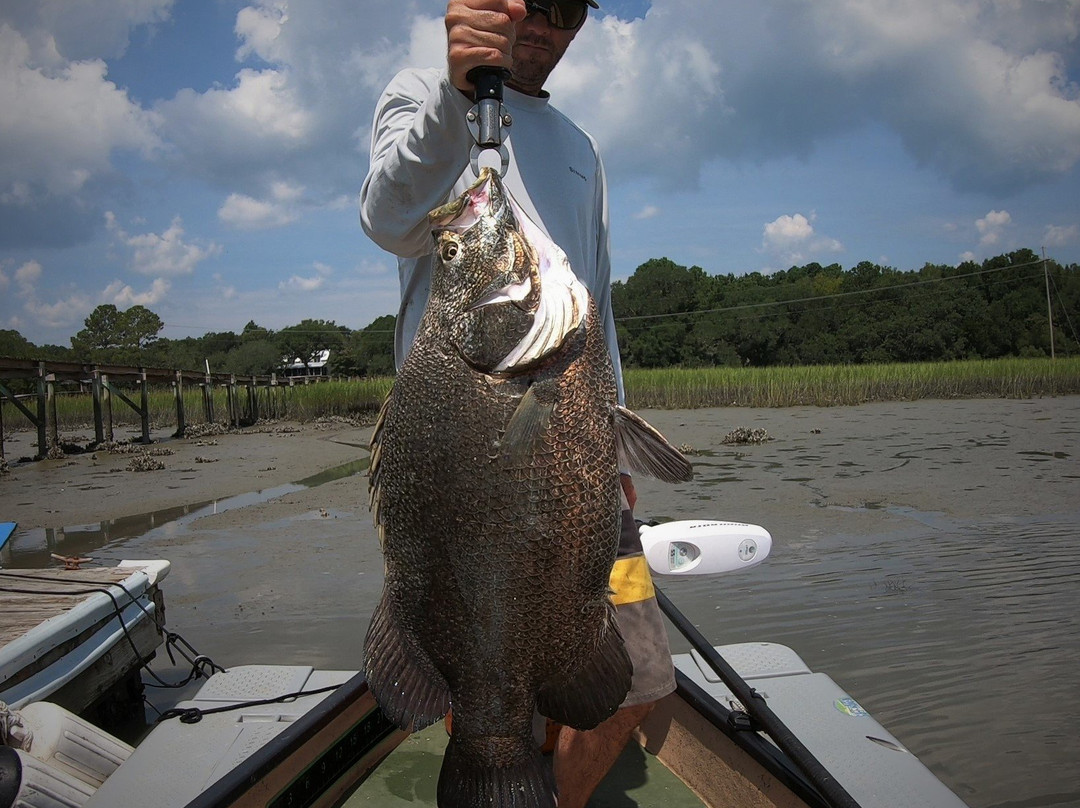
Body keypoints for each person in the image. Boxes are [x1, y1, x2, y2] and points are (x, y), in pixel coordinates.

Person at [359, 1, 675, 804]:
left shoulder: (581, 148)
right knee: (482, 678)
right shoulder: (421, 98)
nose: (547, 25)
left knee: (636, 679)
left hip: (580, 462)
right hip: (458, 473)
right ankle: (491, 760)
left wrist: (617, 439)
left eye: (570, 12)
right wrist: (456, 92)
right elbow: (390, 218)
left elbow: (594, 303)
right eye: (532, 2)